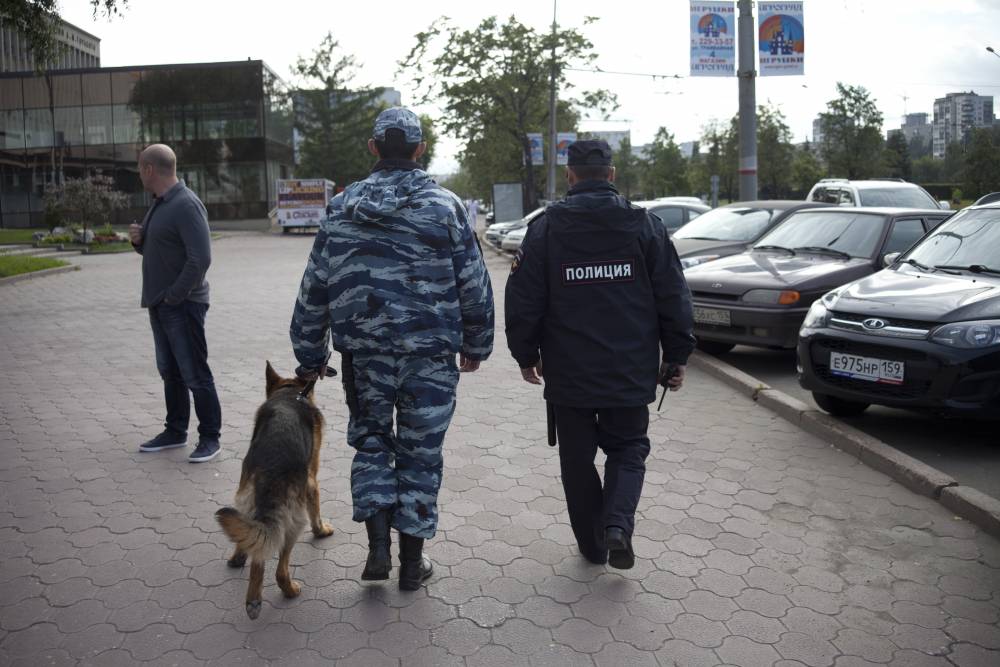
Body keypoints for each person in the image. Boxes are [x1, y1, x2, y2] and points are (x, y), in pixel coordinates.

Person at [290, 107, 494, 591]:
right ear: (420, 150)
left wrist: (310, 355)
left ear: (373, 147)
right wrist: (477, 343)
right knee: (422, 454)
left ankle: (377, 549)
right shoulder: (445, 207)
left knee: (373, 444)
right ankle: (411, 563)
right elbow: (474, 282)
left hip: (364, 358)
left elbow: (315, 286)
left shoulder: (341, 207)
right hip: (431, 357)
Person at [505, 140, 695, 569]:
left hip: (569, 373)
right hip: (629, 369)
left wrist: (524, 353)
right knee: (628, 449)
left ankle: (592, 547)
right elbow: (674, 295)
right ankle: (617, 526)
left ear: (569, 176)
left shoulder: (546, 228)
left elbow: (522, 298)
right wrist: (677, 353)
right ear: (611, 175)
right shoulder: (645, 225)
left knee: (576, 461)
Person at [129, 144, 222, 463]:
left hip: (182, 305)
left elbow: (201, 259)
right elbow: (167, 252)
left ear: (149, 169)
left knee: (195, 372)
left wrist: (174, 296)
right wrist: (139, 243)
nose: (139, 174)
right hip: (162, 303)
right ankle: (175, 430)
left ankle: (210, 437)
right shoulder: (160, 204)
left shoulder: (185, 204)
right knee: (171, 372)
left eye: (140, 168)